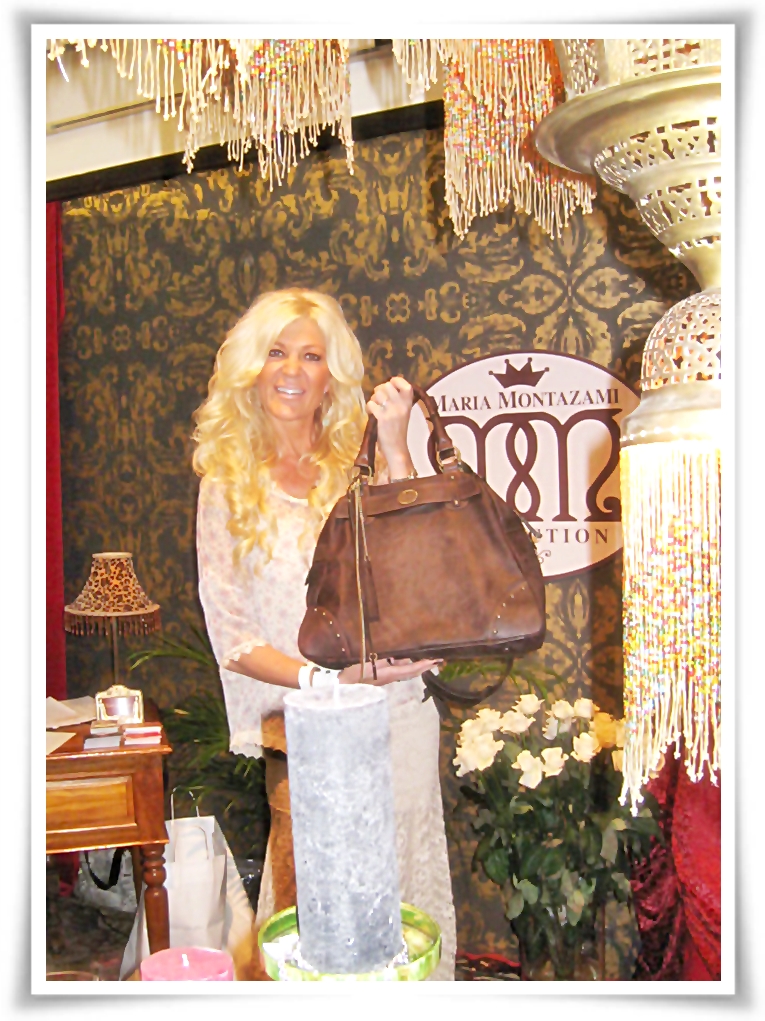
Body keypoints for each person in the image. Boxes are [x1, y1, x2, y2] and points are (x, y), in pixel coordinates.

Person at [192, 287, 457, 980]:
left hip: (399, 713)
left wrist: (395, 444)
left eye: (311, 356)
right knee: (317, 905)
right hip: (307, 725)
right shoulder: (227, 481)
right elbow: (232, 634)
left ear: (331, 374)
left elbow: (414, 560)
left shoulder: (354, 465)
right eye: (276, 352)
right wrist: (329, 681)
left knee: (406, 889)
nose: (291, 370)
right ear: (251, 366)